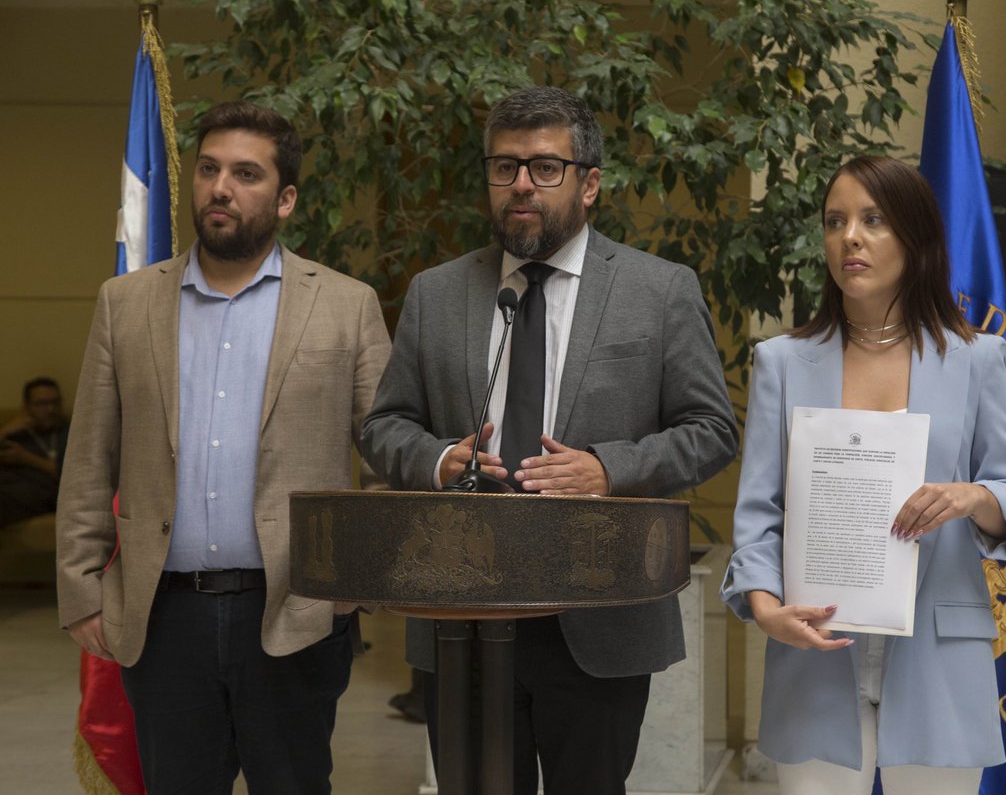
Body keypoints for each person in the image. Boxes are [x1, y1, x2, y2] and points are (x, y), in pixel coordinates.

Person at [361, 85, 738, 795]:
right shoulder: (436, 294)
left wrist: (607, 469)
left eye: (544, 167)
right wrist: (440, 459)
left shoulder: (659, 291)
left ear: (590, 183)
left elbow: (713, 431)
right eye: (504, 168)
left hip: (597, 618)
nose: (521, 185)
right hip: (462, 615)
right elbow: (383, 427)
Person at [56, 101, 390, 794]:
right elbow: (90, 457)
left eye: (245, 173)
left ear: (286, 198)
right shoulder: (125, 304)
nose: (221, 188)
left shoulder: (347, 306)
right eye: (209, 169)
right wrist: (81, 587)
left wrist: (352, 585)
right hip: (162, 617)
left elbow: (390, 456)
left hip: (295, 613)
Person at [721, 156, 1006, 794]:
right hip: (814, 650)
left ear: (915, 240)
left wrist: (970, 496)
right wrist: (764, 608)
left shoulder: (976, 360)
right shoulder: (782, 362)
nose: (850, 238)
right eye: (835, 222)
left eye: (873, 220)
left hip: (940, 658)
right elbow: (759, 514)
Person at [0, 377, 69, 528]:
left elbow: (72, 475)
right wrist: (4, 432)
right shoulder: (17, 432)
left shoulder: (69, 431)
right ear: (26, 408)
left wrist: (26, 458)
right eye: (41, 404)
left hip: (46, 492)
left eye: (55, 402)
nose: (51, 409)